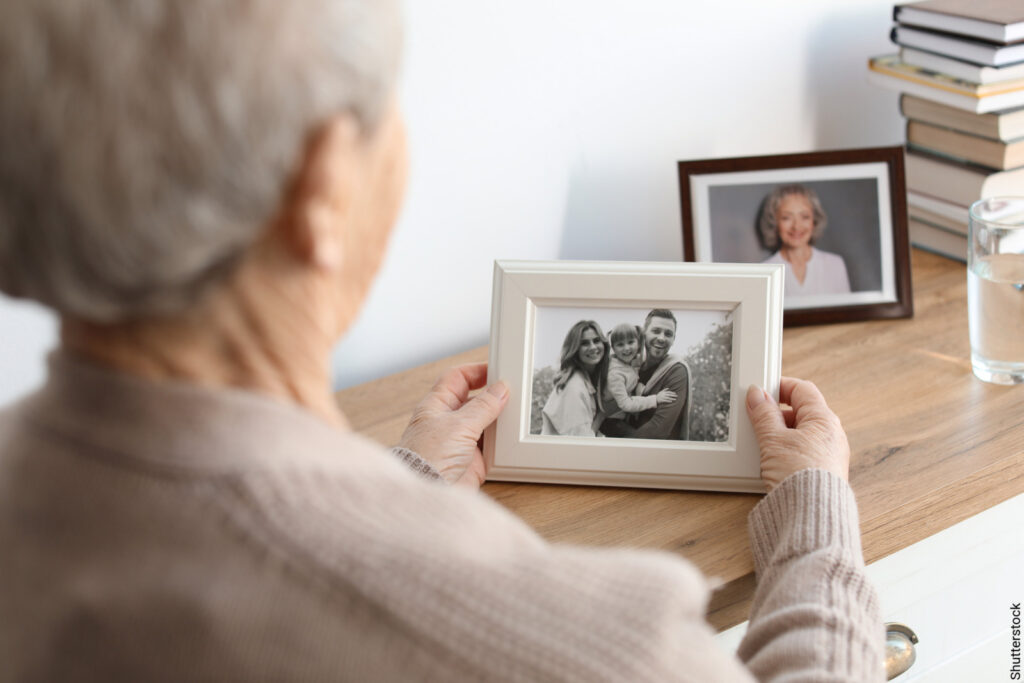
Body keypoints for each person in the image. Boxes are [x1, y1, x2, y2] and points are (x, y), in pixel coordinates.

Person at [0, 1, 885, 680]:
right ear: (318, 190)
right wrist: (815, 523)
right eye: (385, 109)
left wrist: (407, 486)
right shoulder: (581, 644)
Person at [601, 309, 692, 440]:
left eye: (668, 334)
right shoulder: (633, 366)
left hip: (657, 454)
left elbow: (658, 430)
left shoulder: (676, 370)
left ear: (673, 339)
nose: (661, 338)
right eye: (656, 331)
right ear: (644, 333)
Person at [758, 184, 852, 299]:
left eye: (805, 217)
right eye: (786, 218)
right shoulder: (764, 272)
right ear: (775, 223)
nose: (797, 226)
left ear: (814, 221)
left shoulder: (835, 265)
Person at [540, 320, 609, 437]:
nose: (593, 347)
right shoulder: (574, 387)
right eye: (584, 343)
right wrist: (602, 416)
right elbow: (580, 443)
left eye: (596, 341)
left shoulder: (588, 379)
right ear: (575, 349)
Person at [600, 322, 677, 425]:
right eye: (620, 344)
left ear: (638, 343)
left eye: (630, 342)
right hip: (611, 420)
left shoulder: (629, 362)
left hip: (624, 415)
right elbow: (626, 404)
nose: (626, 348)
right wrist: (655, 399)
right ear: (613, 348)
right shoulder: (615, 374)